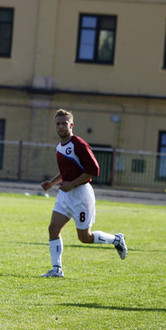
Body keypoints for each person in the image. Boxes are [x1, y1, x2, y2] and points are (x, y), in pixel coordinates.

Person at [39, 109, 127, 278]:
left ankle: (116, 239)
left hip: (81, 195)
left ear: (71, 125)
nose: (61, 126)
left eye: (64, 123)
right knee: (53, 228)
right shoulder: (59, 146)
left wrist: (72, 184)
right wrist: (51, 183)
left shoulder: (79, 144)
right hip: (65, 194)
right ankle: (57, 270)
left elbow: (94, 170)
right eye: (58, 124)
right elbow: (65, 172)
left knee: (85, 237)